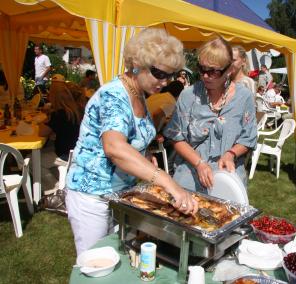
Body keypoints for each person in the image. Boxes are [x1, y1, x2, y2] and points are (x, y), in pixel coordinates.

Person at [65, 28, 198, 256]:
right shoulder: (114, 95)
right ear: (137, 64)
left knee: (119, 261)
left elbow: (131, 141)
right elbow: (114, 147)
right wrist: (166, 180)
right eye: (158, 73)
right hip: (92, 196)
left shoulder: (138, 95)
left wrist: (145, 157)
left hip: (120, 195)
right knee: (96, 266)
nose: (164, 82)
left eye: (170, 75)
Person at [163, 37, 257, 193]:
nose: (205, 76)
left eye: (213, 71)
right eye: (202, 69)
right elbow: (175, 136)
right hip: (189, 178)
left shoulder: (244, 97)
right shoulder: (188, 95)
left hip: (228, 180)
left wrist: (230, 153)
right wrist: (199, 163)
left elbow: (249, 137)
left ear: (229, 70)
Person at [38, 77, 82, 193]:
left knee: (33, 161)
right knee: (44, 151)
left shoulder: (59, 114)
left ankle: (54, 188)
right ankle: (61, 181)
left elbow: (41, 132)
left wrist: (45, 120)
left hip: (64, 155)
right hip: (75, 153)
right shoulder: (75, 111)